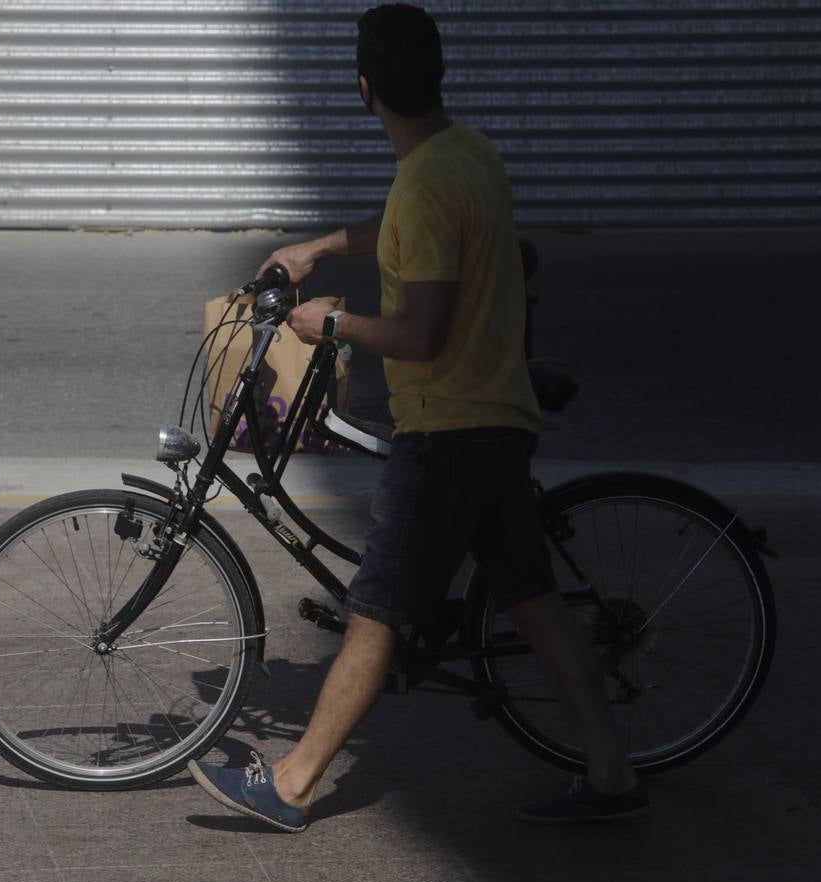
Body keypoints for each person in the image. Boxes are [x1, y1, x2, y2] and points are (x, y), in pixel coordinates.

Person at [187, 3, 648, 830]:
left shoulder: (430, 181)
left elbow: (421, 334)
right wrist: (320, 248)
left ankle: (291, 784)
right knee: (536, 604)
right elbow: (406, 228)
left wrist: (331, 323)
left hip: (449, 432)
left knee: (375, 614)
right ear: (435, 75)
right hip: (493, 417)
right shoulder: (464, 155)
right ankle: (613, 777)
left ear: (365, 90)